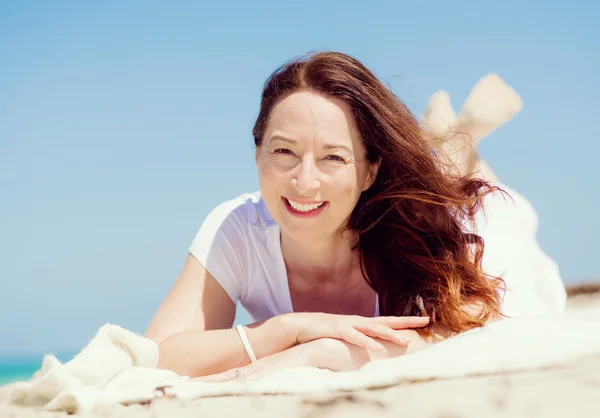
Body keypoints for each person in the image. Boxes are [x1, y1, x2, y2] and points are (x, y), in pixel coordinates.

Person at [145, 51, 565, 382]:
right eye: (284, 151)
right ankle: (449, 146)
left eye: (333, 157)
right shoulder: (237, 227)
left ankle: (461, 148)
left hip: (470, 214)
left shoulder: (425, 226)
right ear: (256, 153)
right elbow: (157, 356)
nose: (304, 182)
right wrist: (289, 329)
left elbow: (485, 326)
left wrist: (325, 351)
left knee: (484, 207)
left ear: (370, 171)